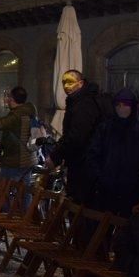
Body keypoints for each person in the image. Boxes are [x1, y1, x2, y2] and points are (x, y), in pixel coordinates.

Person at [84, 89, 139, 217]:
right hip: (106, 190)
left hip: (133, 192)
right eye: (118, 105)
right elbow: (93, 155)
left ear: (132, 107)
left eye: (125, 104)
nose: (121, 108)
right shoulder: (104, 129)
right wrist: (100, 178)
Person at [49, 70, 112, 203]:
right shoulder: (77, 102)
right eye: (63, 83)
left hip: (86, 166)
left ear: (81, 83)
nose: (66, 86)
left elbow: (76, 137)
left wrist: (56, 156)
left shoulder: (84, 104)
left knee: (81, 205)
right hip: (85, 163)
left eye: (70, 82)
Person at [0, 86, 37, 197]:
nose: (7, 100)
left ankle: (5, 213)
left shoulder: (17, 115)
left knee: (4, 193)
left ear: (13, 99)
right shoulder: (29, 111)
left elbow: (0, 123)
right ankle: (26, 214)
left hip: (16, 160)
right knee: (24, 193)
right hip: (29, 159)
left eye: (9, 97)